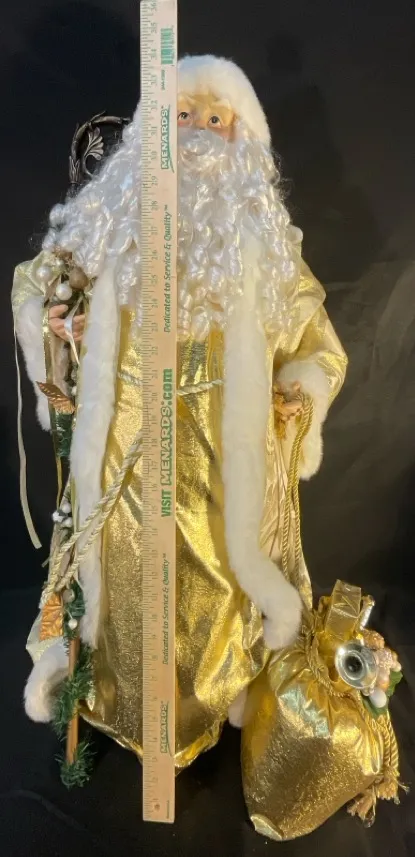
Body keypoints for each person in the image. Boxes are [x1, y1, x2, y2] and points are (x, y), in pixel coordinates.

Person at [12, 55, 347, 773]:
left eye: (214, 119)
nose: (197, 133)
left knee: (212, 590)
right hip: (125, 457)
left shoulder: (260, 242)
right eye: (183, 117)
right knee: (123, 583)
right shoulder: (113, 220)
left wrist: (301, 388)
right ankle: (117, 702)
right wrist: (55, 323)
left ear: (239, 137)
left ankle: (209, 703)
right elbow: (41, 284)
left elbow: (312, 335)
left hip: (219, 463)